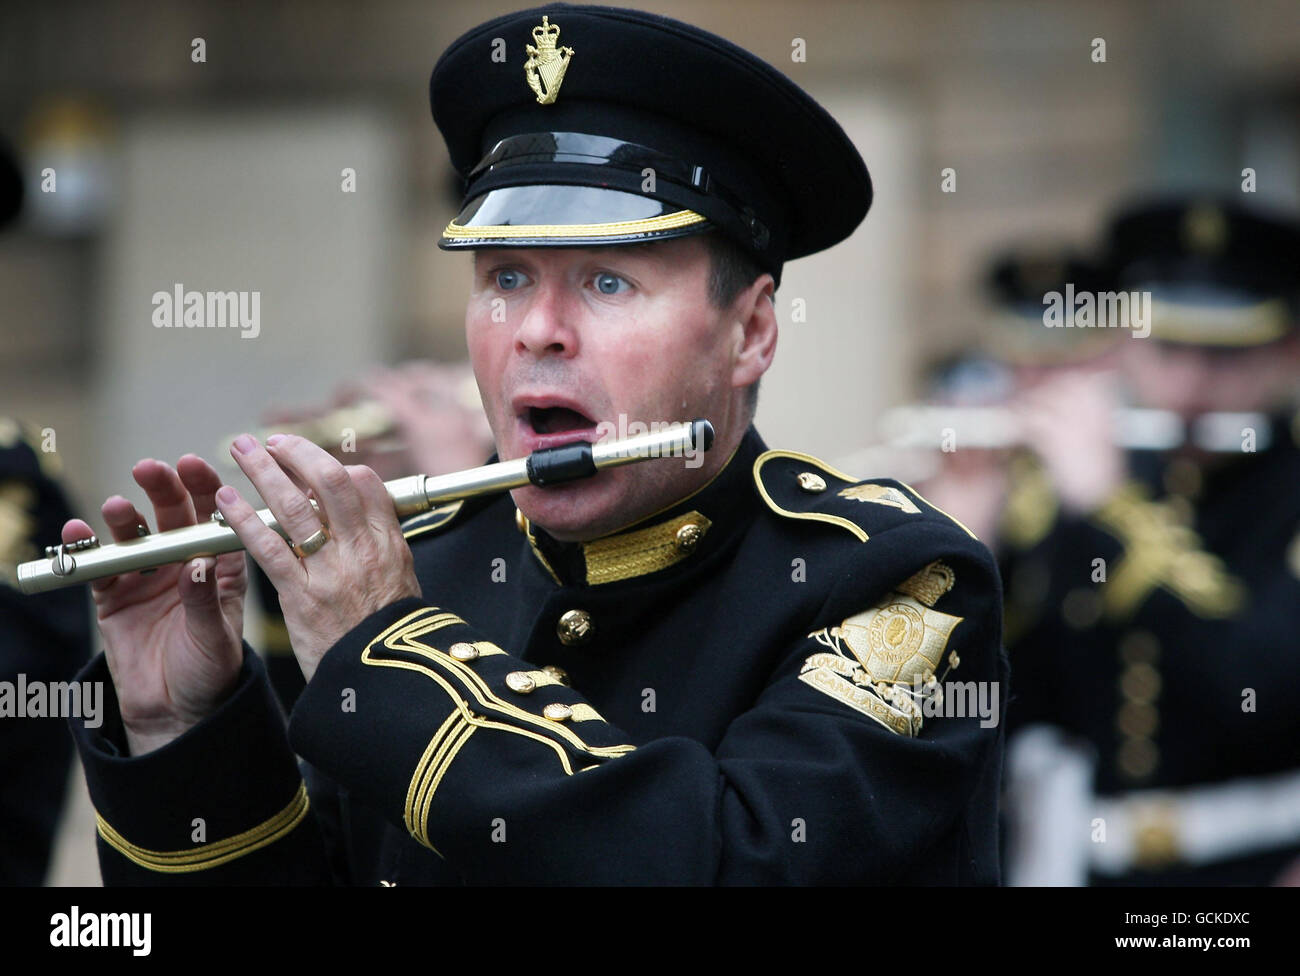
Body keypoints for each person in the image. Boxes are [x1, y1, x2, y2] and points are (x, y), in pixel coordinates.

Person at [61, 5, 1006, 885]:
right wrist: (183, 730)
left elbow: (732, 859)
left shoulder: (893, 577)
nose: (538, 331)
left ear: (749, 332)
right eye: (506, 275)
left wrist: (388, 650)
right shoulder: (431, 563)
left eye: (606, 283)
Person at [1002, 197, 1300, 885]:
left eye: (1226, 355)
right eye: (1168, 350)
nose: (1191, 387)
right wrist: (970, 531)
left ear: (1288, 347)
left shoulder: (1105, 492)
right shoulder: (1086, 482)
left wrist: (1108, 509)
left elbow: (1259, 683)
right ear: (1124, 348)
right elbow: (1019, 699)